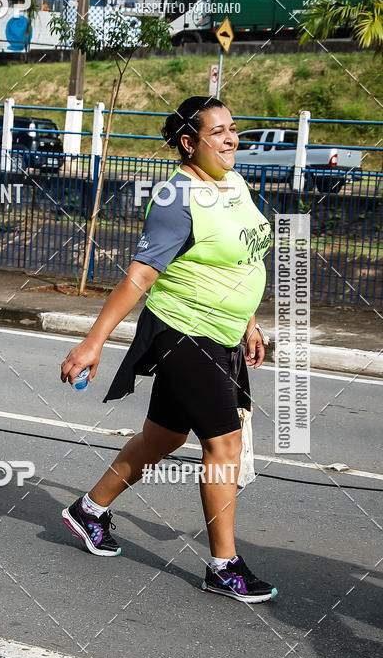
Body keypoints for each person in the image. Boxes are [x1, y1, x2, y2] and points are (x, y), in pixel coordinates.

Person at [60, 96, 276, 603]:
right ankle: (224, 566)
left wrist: (247, 322)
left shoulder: (233, 183)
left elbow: (239, 257)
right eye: (217, 132)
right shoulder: (175, 197)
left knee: (162, 439)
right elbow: (140, 275)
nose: (230, 139)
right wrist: (94, 342)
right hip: (185, 332)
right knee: (223, 446)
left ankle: (89, 510)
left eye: (233, 128)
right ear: (188, 142)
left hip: (222, 333)